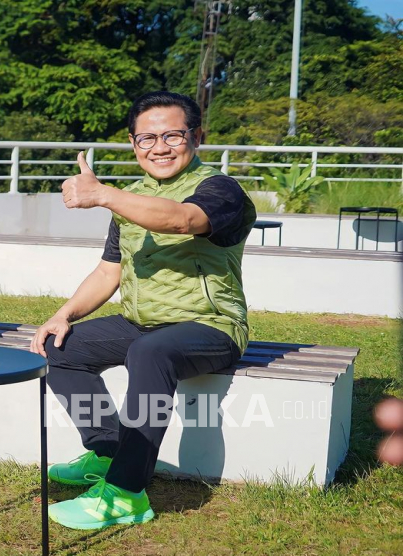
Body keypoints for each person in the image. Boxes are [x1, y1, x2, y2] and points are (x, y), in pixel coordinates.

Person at [30, 91, 256, 530]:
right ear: (134, 145)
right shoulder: (132, 196)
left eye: (173, 135)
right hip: (142, 322)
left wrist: (104, 195)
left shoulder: (221, 189)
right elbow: (108, 271)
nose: (159, 147)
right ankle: (107, 452)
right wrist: (65, 314)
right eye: (146, 138)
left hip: (211, 326)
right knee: (60, 348)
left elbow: (183, 220)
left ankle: (127, 493)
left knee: (151, 353)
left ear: (196, 137)